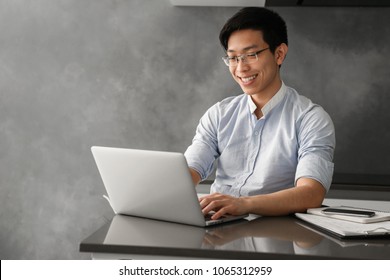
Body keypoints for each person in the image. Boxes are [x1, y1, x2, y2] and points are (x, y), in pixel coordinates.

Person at [184, 7, 335, 220]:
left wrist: (243, 204)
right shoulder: (219, 114)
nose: (241, 68)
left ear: (279, 53)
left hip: (276, 234)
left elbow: (311, 194)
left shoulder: (311, 119)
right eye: (233, 58)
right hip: (218, 227)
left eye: (251, 55)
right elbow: (188, 173)